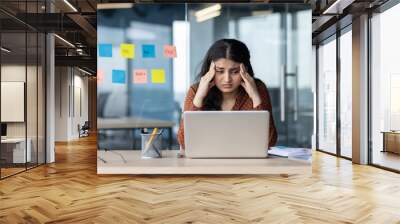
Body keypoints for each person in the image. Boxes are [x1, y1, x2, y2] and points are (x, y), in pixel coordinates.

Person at [177, 39, 278, 149]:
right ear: (209, 71)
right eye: (220, 71)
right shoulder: (196, 91)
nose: (227, 79)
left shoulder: (257, 88)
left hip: (247, 162)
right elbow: (184, 142)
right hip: (206, 162)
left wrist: (255, 96)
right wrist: (199, 97)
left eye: (235, 72)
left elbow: (270, 141)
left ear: (245, 69)